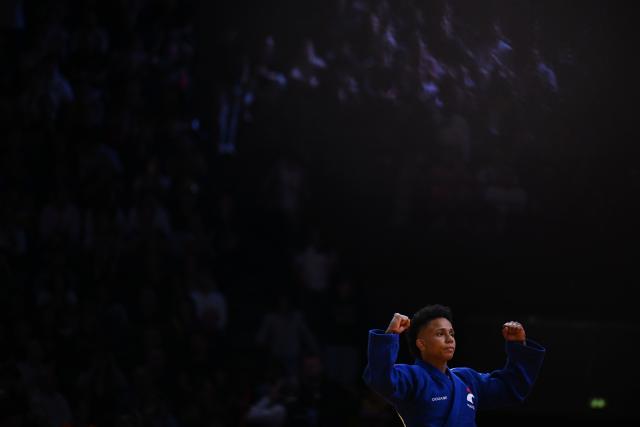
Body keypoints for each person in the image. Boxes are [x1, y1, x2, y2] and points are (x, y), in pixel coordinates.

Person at [363, 304, 544, 427]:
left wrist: (518, 346)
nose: (449, 339)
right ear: (421, 344)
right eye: (440, 334)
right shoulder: (413, 377)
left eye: (451, 333)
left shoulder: (467, 379)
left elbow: (511, 388)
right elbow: (381, 379)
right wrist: (391, 334)